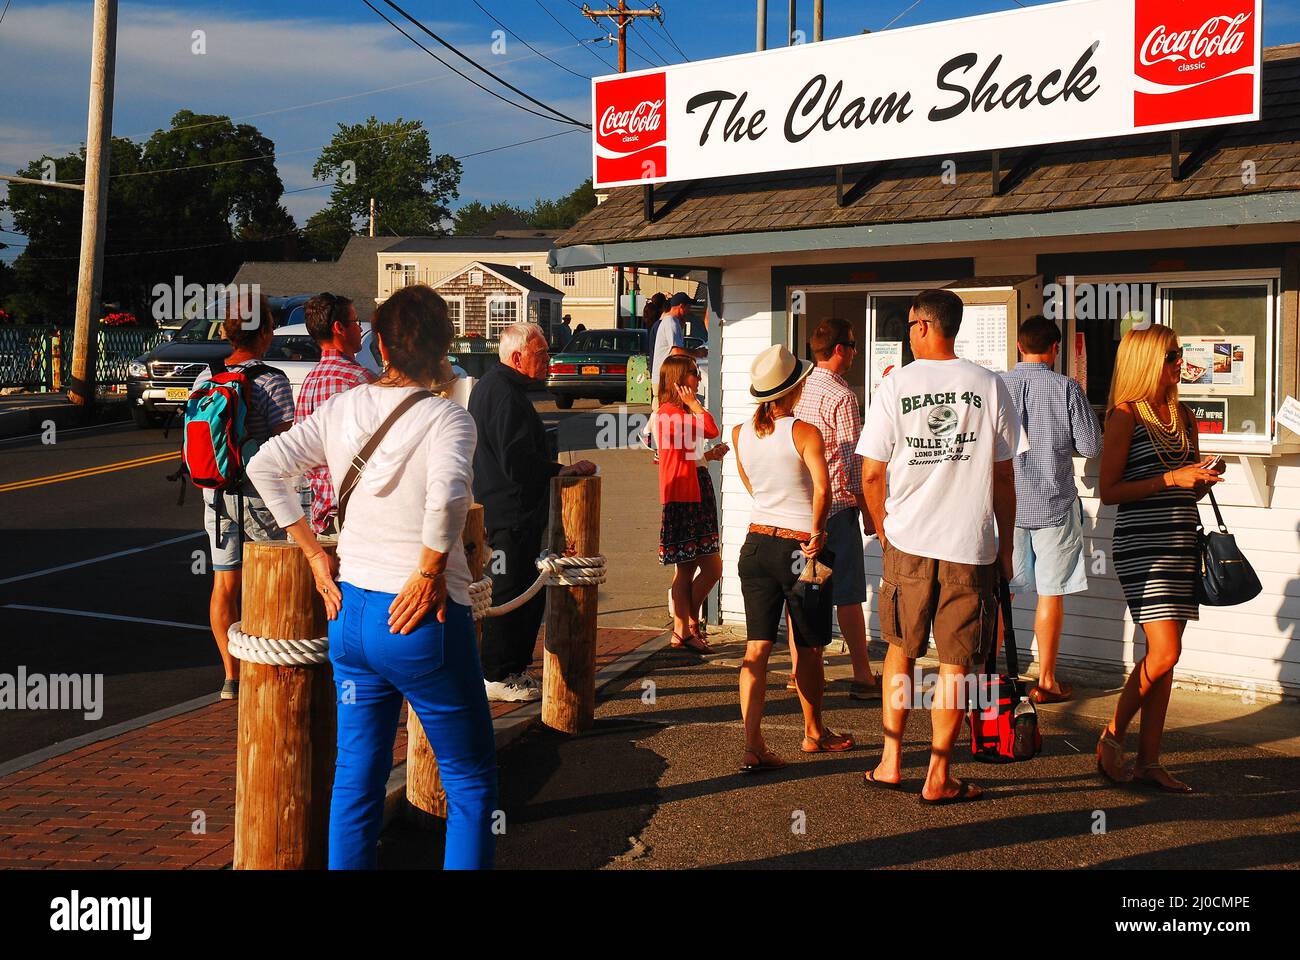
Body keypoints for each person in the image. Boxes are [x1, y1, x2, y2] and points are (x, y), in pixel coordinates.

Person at [247, 285, 498, 869]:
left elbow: (266, 465)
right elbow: (450, 498)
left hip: (351, 614)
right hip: (420, 619)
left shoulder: (343, 408)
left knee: (355, 779)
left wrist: (313, 555)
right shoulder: (447, 419)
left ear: (379, 345)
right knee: (470, 780)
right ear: (445, 346)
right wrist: (430, 570)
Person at [857, 289, 1020, 804]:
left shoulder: (895, 386)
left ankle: (889, 762)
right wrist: (1007, 546)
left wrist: (885, 533)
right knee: (956, 664)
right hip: (969, 546)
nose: (906, 334)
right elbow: (1004, 479)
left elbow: (871, 473)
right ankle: (938, 774)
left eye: (909, 324)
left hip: (908, 543)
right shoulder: (990, 386)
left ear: (926, 326)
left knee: (900, 653)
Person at [1096, 325, 1223, 793]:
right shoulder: (1125, 416)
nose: (1179, 363)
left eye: (1179, 354)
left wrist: (1203, 477)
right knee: (1166, 650)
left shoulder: (1183, 415)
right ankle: (1112, 734)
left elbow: (1182, 474)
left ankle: (1150, 761)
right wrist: (1172, 480)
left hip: (1180, 540)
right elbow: (1108, 492)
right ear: (1148, 360)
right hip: (1142, 545)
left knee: (1164, 658)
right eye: (1172, 355)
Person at [733, 344, 855, 773]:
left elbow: (752, 484)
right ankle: (813, 731)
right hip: (803, 547)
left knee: (756, 649)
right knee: (808, 648)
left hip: (755, 544)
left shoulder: (740, 432)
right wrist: (817, 532)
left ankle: (753, 745)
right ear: (795, 389)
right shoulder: (804, 432)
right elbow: (824, 489)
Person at [469, 321, 596, 702]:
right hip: (509, 512)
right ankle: (497, 673)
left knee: (523, 590)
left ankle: (511, 667)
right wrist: (560, 469)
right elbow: (517, 459)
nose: (548, 361)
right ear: (518, 356)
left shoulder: (496, 388)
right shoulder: (504, 394)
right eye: (541, 354)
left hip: (508, 509)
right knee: (510, 592)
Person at [194, 294, 294, 701]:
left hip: (214, 495)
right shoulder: (273, 379)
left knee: (225, 586)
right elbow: (287, 444)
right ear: (266, 332)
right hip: (257, 496)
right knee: (266, 586)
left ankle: (231, 677)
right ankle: (263, 667)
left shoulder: (206, 377)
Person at [1000, 315, 1103, 703]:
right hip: (1053, 504)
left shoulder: (997, 386)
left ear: (1019, 346)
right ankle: (1046, 680)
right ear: (1055, 348)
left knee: (1002, 593)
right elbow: (1092, 447)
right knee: (1051, 594)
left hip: (1006, 506)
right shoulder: (1066, 388)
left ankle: (990, 674)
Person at [792, 317, 880, 699]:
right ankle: (862, 672)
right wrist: (868, 510)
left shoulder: (799, 386)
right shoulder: (843, 396)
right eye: (854, 346)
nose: (856, 353)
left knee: (807, 590)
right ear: (841, 349)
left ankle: (803, 670)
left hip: (801, 506)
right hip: (837, 509)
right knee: (847, 594)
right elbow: (850, 461)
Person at [654, 355, 728, 653]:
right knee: (688, 570)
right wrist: (697, 406)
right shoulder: (670, 413)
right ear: (679, 380)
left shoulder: (678, 414)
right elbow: (711, 429)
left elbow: (684, 452)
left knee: (710, 568)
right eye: (694, 373)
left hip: (694, 490)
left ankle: (686, 625)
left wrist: (707, 457)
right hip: (685, 496)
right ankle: (683, 630)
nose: (698, 378)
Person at [295, 292, 373, 535]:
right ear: (339, 328)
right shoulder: (360, 380)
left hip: (319, 509)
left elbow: (300, 449)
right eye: (355, 322)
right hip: (356, 511)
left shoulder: (310, 381)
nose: (359, 329)